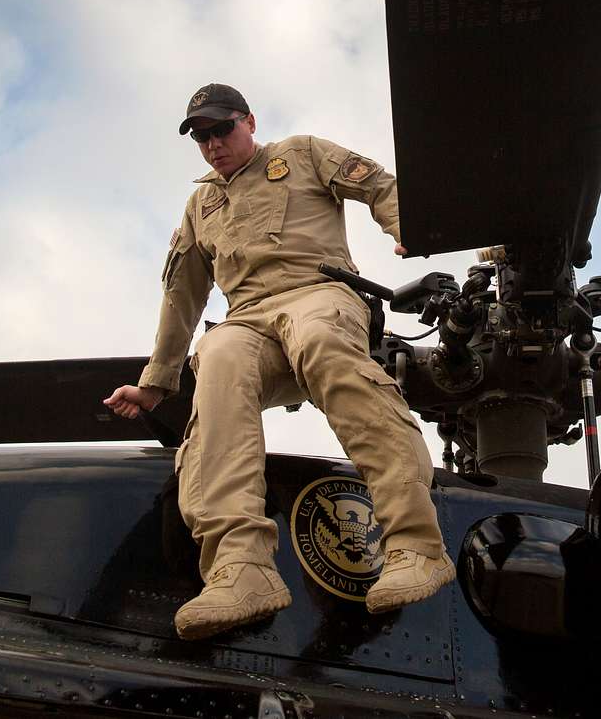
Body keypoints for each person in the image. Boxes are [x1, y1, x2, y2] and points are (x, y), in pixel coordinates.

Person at [103, 83, 452, 640]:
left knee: (320, 339)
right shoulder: (200, 206)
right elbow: (181, 295)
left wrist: (410, 228)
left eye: (222, 130)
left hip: (318, 292)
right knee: (215, 359)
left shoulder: (303, 154)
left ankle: (415, 544)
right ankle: (240, 568)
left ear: (249, 122)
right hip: (247, 318)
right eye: (201, 136)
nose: (213, 144)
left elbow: (380, 185)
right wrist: (155, 383)